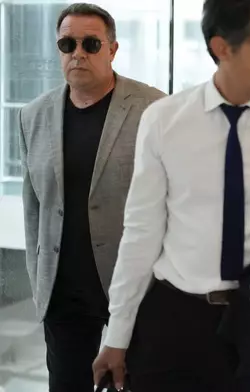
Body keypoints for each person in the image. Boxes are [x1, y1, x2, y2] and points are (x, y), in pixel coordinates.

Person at [91, 0, 250, 390]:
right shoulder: (164, 120)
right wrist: (116, 336)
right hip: (176, 322)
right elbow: (140, 234)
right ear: (223, 47)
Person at [17, 3, 165, 391]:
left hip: (135, 288)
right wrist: (39, 288)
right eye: (67, 44)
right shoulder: (32, 116)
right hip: (63, 294)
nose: (77, 53)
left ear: (113, 49)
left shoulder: (153, 108)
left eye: (90, 43)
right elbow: (33, 210)